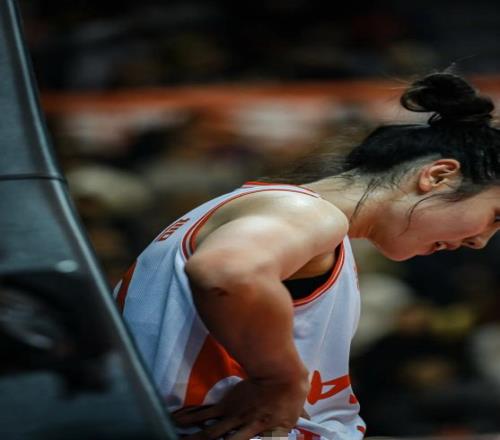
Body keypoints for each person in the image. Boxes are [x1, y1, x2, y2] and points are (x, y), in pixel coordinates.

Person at [114, 72, 500, 440]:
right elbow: (225, 272)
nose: (480, 241)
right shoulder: (307, 212)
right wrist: (279, 378)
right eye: (494, 217)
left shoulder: (291, 216)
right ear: (438, 176)